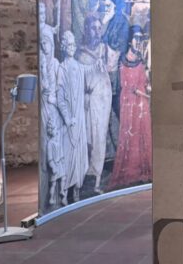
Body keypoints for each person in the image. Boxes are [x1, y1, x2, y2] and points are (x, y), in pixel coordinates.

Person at [109, 24, 152, 189]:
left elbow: (143, 84)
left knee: (142, 133)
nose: (138, 41)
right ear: (129, 40)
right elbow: (125, 86)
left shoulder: (140, 60)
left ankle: (142, 171)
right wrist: (142, 94)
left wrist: (146, 92)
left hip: (141, 103)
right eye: (136, 38)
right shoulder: (122, 60)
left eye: (141, 38)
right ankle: (130, 172)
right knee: (129, 134)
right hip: (128, 102)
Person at [76, 14, 115, 194]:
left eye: (99, 28)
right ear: (86, 30)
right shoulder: (80, 53)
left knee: (99, 137)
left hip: (102, 100)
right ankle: (82, 176)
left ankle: (96, 180)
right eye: (93, 28)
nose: (97, 32)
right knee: (86, 138)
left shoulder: (104, 50)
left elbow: (110, 70)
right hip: (86, 101)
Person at [57, 30, 89, 204]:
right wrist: (67, 118)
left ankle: (77, 190)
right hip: (69, 121)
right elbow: (60, 97)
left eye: (73, 44)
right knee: (69, 154)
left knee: (80, 155)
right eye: (68, 45)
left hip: (80, 118)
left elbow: (89, 73)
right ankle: (65, 193)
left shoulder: (79, 67)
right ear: (64, 47)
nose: (71, 47)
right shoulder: (62, 69)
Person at [39, 32, 64, 208]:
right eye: (42, 44)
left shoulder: (55, 63)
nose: (44, 46)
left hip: (53, 105)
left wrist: (55, 97)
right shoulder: (42, 63)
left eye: (46, 43)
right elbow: (43, 86)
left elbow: (59, 86)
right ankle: (46, 191)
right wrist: (42, 70)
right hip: (44, 104)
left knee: (55, 138)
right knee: (45, 141)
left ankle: (57, 194)